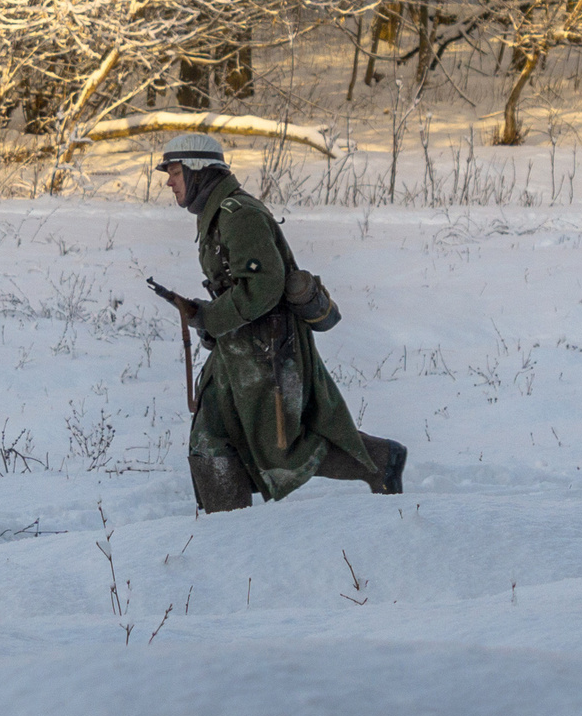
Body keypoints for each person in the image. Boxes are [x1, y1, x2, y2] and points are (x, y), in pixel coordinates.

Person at [152, 133, 406, 513]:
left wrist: (211, 317)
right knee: (211, 436)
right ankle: (227, 532)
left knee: (283, 449)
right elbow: (242, 286)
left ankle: (381, 461)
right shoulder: (217, 214)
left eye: (174, 172)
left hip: (267, 351)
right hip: (240, 348)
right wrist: (207, 316)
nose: (169, 182)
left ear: (198, 172)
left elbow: (264, 287)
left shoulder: (239, 215)